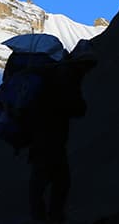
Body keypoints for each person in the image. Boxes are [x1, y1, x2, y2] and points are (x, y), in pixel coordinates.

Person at [26, 39, 96, 223]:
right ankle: (50, 217)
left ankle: (43, 216)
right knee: (57, 181)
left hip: (42, 135)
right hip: (50, 137)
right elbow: (74, 107)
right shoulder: (67, 76)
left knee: (46, 179)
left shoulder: (59, 73)